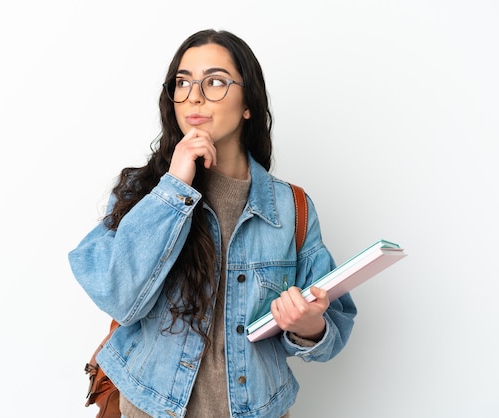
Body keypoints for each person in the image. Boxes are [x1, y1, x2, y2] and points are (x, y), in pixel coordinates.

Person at [68, 29, 357, 418]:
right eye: (183, 82)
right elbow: (121, 296)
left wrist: (308, 325)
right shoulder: (145, 192)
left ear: (248, 104)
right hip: (151, 409)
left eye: (216, 81)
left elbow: (333, 329)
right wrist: (174, 187)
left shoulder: (292, 208)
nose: (195, 95)